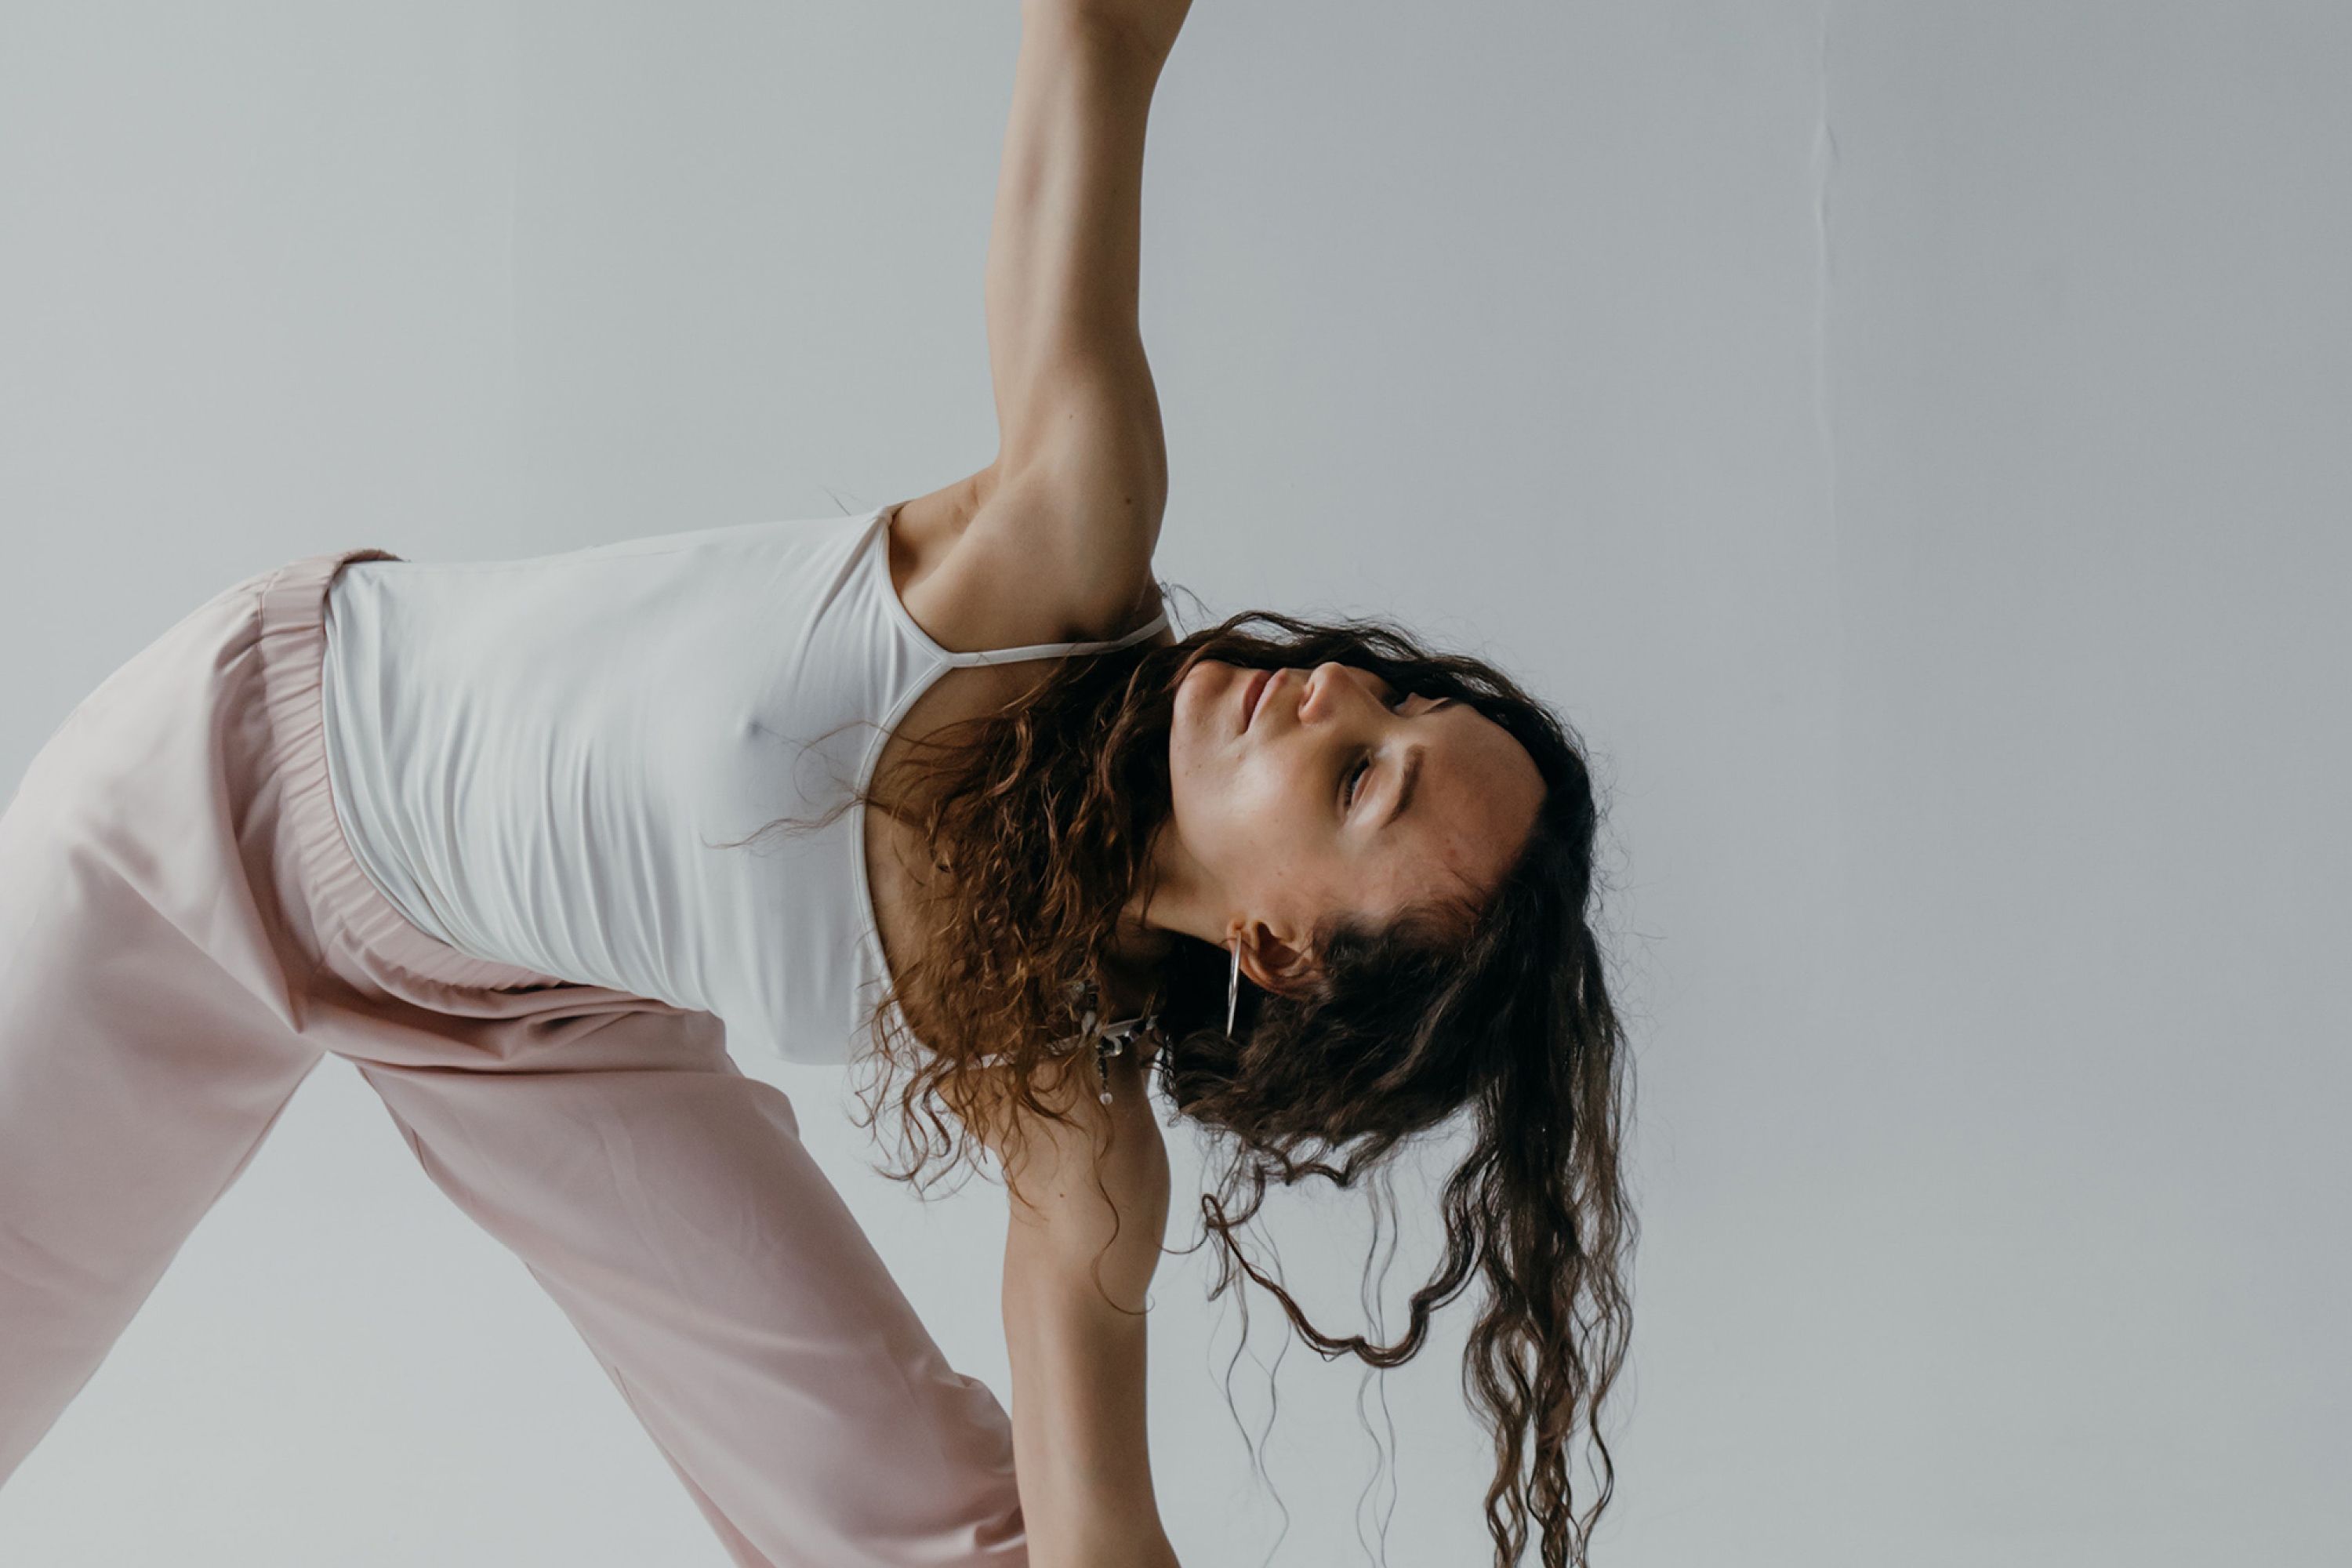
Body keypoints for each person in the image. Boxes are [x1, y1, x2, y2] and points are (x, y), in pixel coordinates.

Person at [0, 2, 1632, 1564]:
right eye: (1399, 703)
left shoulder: (1075, 1114)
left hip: (541, 1021)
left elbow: (1097, 1532)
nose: (1340, 691)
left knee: (944, 1539)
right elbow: (1096, 33)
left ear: (1279, 950)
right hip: (225, 796)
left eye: (1363, 782)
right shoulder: (1051, 575)